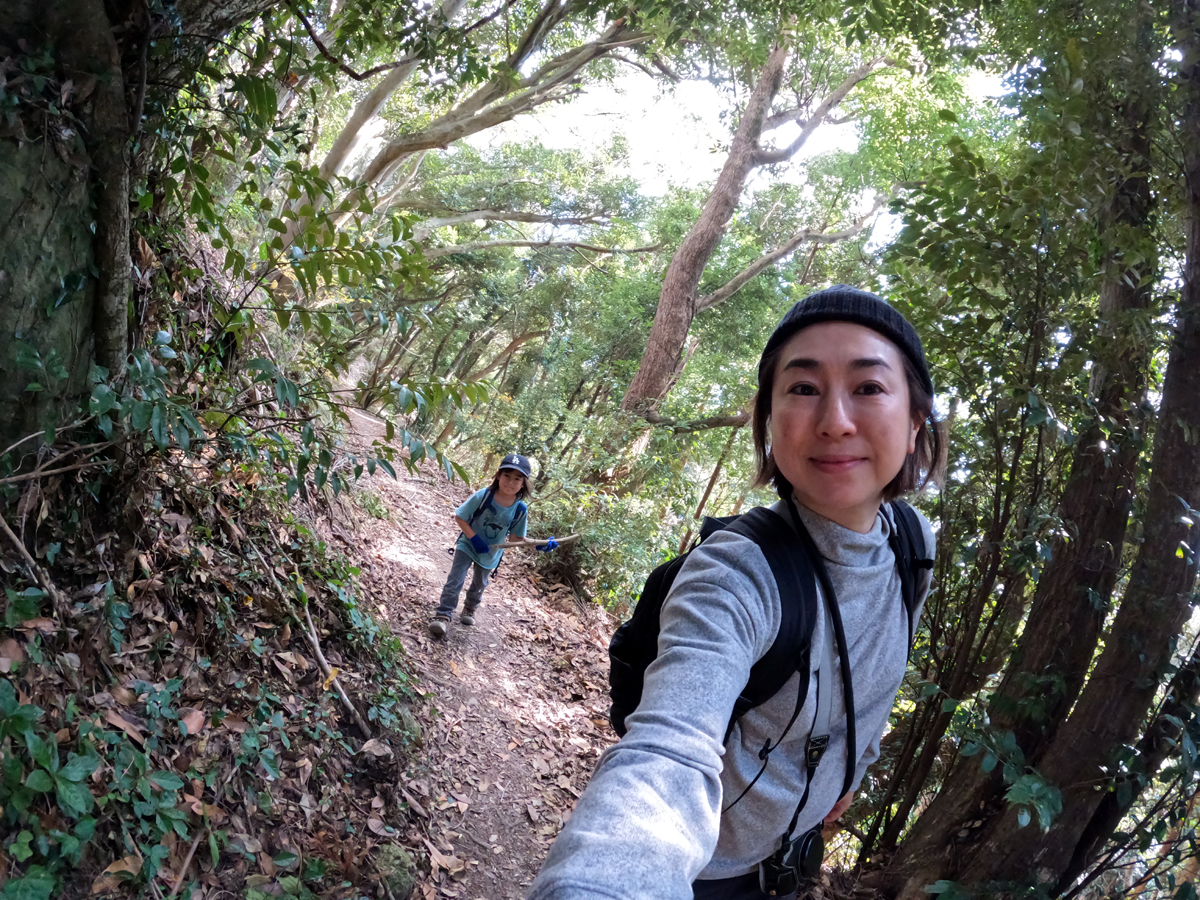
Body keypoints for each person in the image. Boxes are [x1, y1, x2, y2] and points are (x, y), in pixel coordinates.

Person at [527, 286, 946, 900]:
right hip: (708, 875)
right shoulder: (736, 574)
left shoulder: (913, 545)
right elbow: (668, 754)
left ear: (914, 424)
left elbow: (873, 676)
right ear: (769, 424)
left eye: (869, 387)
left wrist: (849, 772)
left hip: (794, 862)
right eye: (802, 389)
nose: (835, 421)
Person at [430, 453, 553, 637]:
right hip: (468, 544)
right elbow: (460, 517)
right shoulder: (484, 496)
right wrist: (474, 539)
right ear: (498, 475)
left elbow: (516, 540)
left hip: (491, 553)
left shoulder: (520, 509)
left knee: (480, 583)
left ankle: (470, 607)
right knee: (456, 579)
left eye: (517, 478)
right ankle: (443, 615)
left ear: (523, 483)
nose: (511, 482)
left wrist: (539, 545)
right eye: (507, 476)